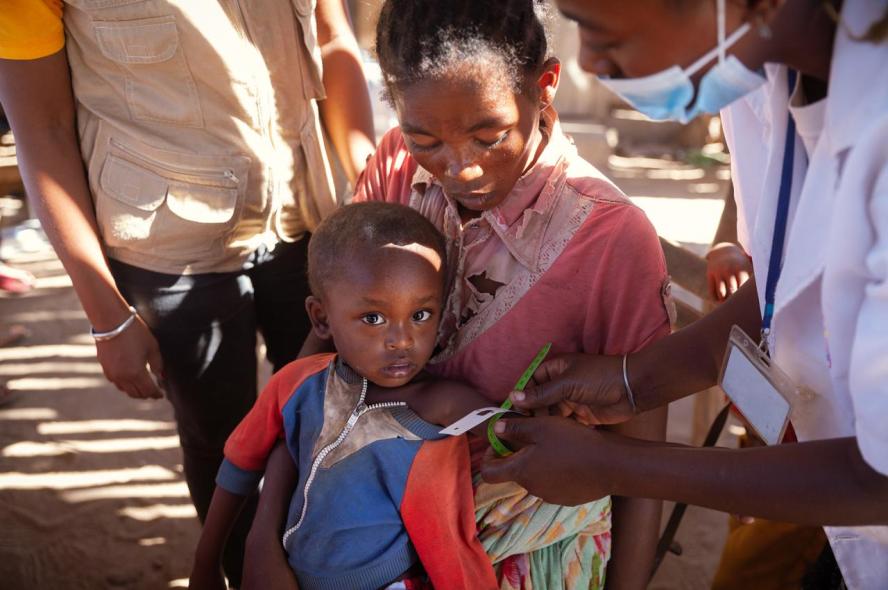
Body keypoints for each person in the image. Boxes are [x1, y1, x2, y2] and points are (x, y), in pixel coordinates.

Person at [480, 0, 888, 588]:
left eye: (593, 25)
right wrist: (634, 381)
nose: (589, 61)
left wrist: (614, 466)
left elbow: (878, 475)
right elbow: (790, 280)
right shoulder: (763, 82)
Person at [0, 0, 374, 585]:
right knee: (219, 440)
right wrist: (107, 314)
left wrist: (364, 193)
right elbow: (42, 131)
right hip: (167, 246)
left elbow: (331, 39)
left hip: (314, 218)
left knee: (333, 417)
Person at [340, 1, 673, 587]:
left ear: (544, 86)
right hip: (376, 524)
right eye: (425, 139)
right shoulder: (395, 165)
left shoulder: (610, 238)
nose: (459, 169)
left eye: (488, 135)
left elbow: (640, 464)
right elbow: (325, 356)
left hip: (520, 551)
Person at [190, 202, 499, 590]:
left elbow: (515, 434)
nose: (402, 340)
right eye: (373, 318)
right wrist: (206, 561)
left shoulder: (442, 404)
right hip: (295, 574)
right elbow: (239, 464)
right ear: (321, 318)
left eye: (421, 315)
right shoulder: (298, 385)